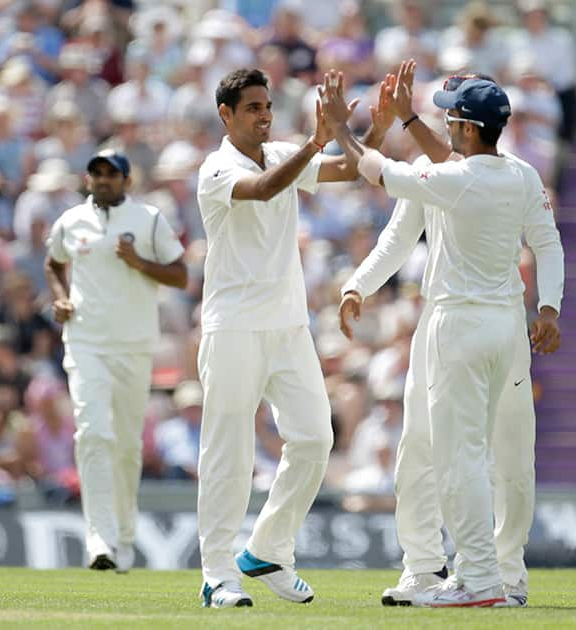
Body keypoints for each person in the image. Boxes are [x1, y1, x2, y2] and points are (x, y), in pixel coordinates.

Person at [321, 71, 561, 607]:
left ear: (468, 128)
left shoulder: (449, 177)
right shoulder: (514, 174)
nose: (443, 122)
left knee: (481, 455)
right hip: (475, 322)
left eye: (450, 116)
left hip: (465, 324)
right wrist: (358, 284)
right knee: (423, 450)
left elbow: (378, 170)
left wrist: (341, 126)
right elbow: (399, 236)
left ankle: (488, 576)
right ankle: (426, 567)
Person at [194, 68, 385, 609]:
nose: (264, 115)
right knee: (227, 453)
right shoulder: (216, 168)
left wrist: (377, 128)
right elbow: (262, 189)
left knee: (314, 439)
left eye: (267, 105)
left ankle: (269, 548)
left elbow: (352, 169)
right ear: (226, 114)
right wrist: (314, 141)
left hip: (288, 326)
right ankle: (217, 575)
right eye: (252, 108)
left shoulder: (282, 151)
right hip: (232, 326)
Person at [44, 150, 187, 573]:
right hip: (85, 341)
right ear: (88, 179)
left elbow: (180, 275)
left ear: (126, 179)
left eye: (112, 174)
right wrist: (59, 296)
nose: (103, 180)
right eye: (97, 173)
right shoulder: (70, 221)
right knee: (93, 433)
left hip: (134, 346)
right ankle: (99, 539)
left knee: (126, 446)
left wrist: (138, 262)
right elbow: (54, 262)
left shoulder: (150, 219)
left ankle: (123, 537)